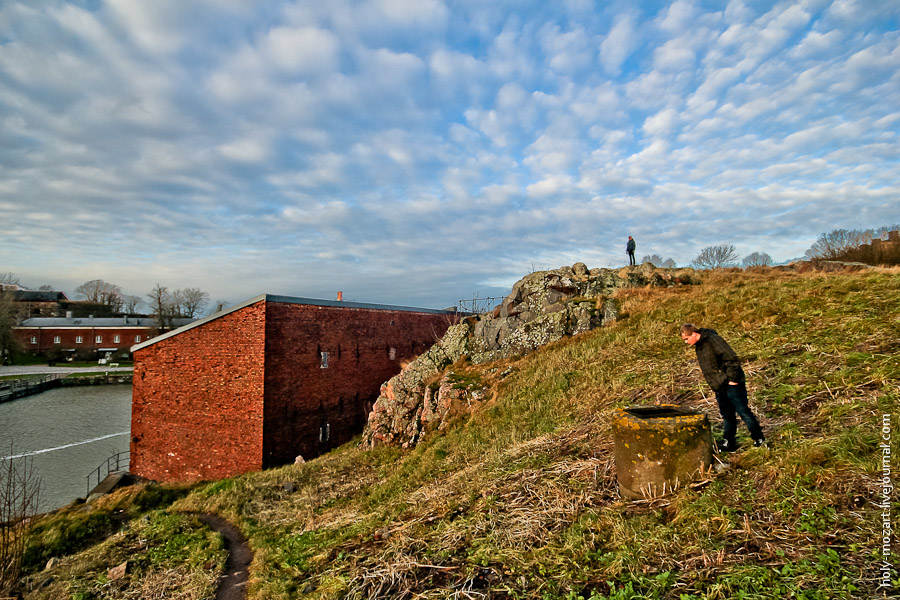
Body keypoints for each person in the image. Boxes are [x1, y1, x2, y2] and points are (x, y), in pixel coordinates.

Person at [680, 323, 766, 451]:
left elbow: (731, 358)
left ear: (694, 334)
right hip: (719, 386)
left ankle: (759, 439)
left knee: (743, 412)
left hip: (731, 384)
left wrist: (733, 379)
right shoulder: (699, 346)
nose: (686, 342)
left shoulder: (713, 340)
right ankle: (729, 443)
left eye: (686, 339)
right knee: (727, 415)